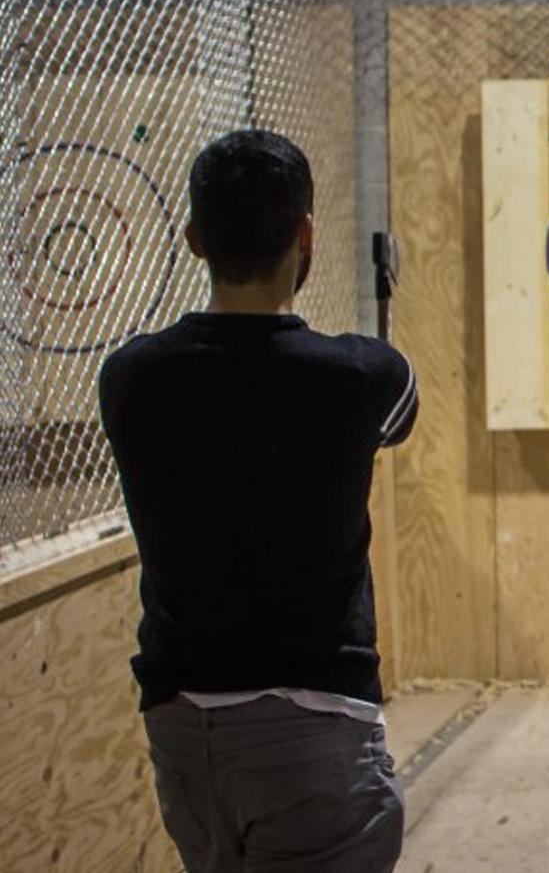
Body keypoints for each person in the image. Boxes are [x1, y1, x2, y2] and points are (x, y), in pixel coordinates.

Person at [99, 129, 415, 873]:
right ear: (306, 234)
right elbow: (396, 414)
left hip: (182, 730)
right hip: (313, 723)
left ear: (194, 239)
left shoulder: (132, 378)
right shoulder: (360, 376)